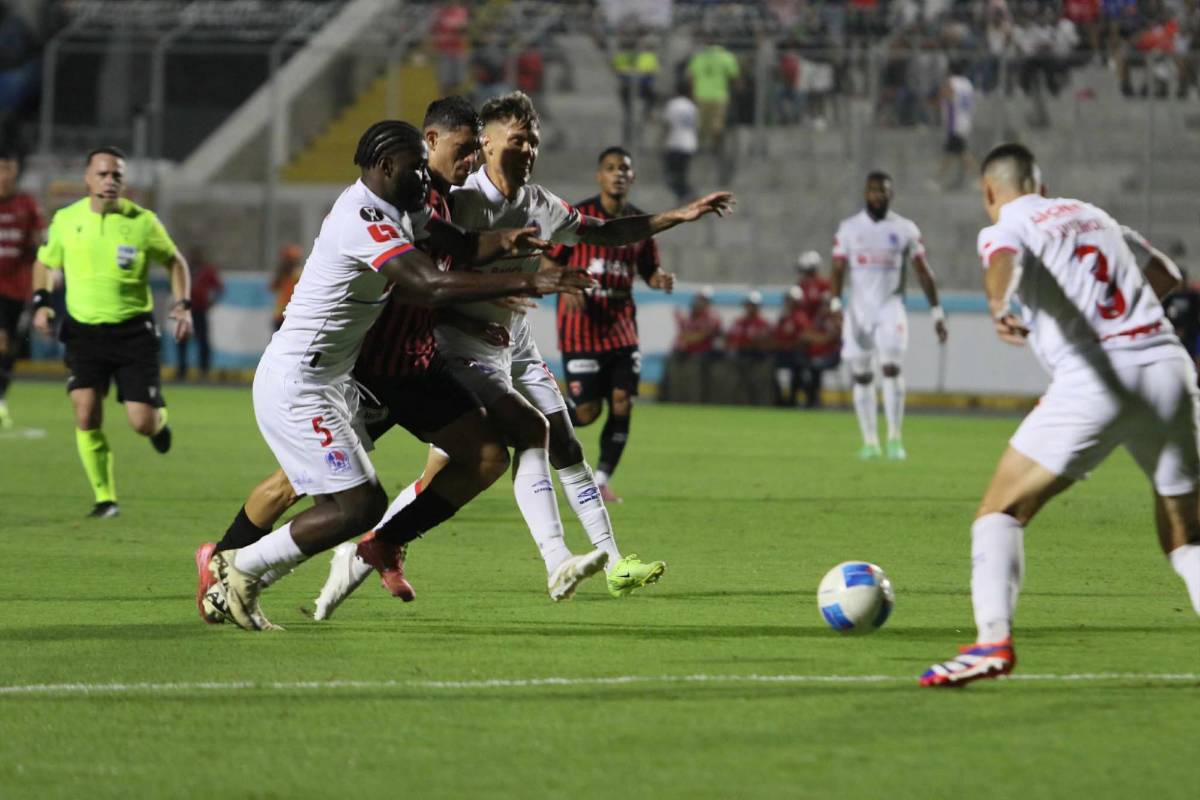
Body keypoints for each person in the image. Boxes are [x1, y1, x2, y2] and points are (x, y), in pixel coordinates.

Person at [312, 91, 733, 614]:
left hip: (515, 344)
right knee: (463, 463)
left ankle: (612, 561)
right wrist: (480, 306)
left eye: (533, 139)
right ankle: (346, 559)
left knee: (565, 443)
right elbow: (423, 286)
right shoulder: (456, 200)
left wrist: (679, 215)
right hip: (458, 348)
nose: (528, 148)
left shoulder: (540, 203)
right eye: (518, 139)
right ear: (486, 143)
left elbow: (605, 232)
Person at [204, 119, 588, 632]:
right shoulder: (362, 217)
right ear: (386, 167)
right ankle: (234, 565)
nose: (424, 180)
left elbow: (457, 243)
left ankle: (243, 571)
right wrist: (532, 280)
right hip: (301, 382)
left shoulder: (403, 207)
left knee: (476, 456)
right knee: (352, 503)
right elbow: (427, 283)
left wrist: (504, 241)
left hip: (340, 379)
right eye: (414, 169)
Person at [921, 143, 1200, 687]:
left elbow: (1004, 260)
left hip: (1095, 378)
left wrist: (999, 305)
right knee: (1189, 539)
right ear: (1041, 183)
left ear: (988, 191)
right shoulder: (1091, 212)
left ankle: (991, 642)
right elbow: (1167, 271)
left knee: (998, 512)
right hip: (1170, 369)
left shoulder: (1007, 221)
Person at [31, 146, 191, 518]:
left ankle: (158, 423)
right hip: (84, 333)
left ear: (124, 180)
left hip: (133, 333)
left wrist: (182, 305)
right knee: (85, 412)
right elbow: (44, 262)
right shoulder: (66, 220)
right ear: (87, 178)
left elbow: (175, 262)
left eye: (116, 175)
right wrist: (41, 301)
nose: (109, 181)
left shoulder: (142, 222)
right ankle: (105, 499)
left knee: (141, 422)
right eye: (102, 174)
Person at [549, 146, 676, 503]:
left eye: (624, 168)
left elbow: (648, 270)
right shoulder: (578, 218)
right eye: (610, 167)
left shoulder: (639, 225)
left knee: (623, 400)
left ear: (632, 177)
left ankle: (601, 479)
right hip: (580, 327)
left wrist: (659, 279)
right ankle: (538, 428)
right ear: (599, 176)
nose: (618, 173)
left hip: (621, 327)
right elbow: (546, 261)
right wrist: (562, 280)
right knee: (587, 412)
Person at [830, 171, 948, 461]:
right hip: (858, 310)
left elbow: (923, 271)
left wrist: (937, 312)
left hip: (890, 308)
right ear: (865, 193)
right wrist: (835, 304)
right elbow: (837, 269)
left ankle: (895, 438)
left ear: (891, 194)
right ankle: (870, 441)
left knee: (891, 369)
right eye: (873, 190)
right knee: (861, 375)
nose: (878, 195)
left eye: (883, 191)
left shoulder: (905, 229)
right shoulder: (848, 229)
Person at [0, 144, 44, 429]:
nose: (4, 175)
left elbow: (40, 242)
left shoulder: (26, 204)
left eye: (9, 169)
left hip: (16, 288)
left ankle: (1, 398)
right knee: (1, 340)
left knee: (9, 348)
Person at [686, 35, 739, 161]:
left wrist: (692, 92)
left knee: (700, 124)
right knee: (717, 124)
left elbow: (691, 76)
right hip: (719, 95)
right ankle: (716, 149)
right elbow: (734, 76)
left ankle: (698, 148)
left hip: (701, 95)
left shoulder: (699, 57)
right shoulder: (726, 56)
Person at [176, 249, 222, 380]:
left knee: (202, 341)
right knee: (182, 340)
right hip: (186, 311)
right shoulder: (185, 270)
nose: (194, 258)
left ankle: (204, 369)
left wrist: (212, 302)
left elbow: (219, 287)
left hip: (200, 310)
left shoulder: (207, 271)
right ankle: (182, 369)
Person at [933, 62, 976, 191]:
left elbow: (946, 97)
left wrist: (938, 100)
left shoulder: (951, 82)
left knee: (958, 152)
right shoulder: (968, 83)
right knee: (955, 152)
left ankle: (937, 180)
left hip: (954, 122)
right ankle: (937, 179)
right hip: (965, 120)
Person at [661, 82, 698, 203]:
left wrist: (663, 140)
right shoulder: (692, 106)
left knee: (670, 176)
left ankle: (687, 195)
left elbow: (667, 124)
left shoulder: (673, 104)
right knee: (681, 174)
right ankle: (686, 196)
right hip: (690, 144)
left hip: (675, 143)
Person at [673, 285, 722, 355]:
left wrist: (687, 337)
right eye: (697, 299)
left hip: (702, 354)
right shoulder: (692, 316)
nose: (697, 301)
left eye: (702, 299)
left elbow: (704, 334)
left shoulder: (711, 316)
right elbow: (683, 332)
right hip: (686, 353)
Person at [725, 291, 773, 357]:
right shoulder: (738, 322)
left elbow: (767, 343)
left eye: (753, 305)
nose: (750, 307)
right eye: (748, 304)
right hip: (740, 355)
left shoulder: (763, 323)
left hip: (757, 356)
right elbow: (729, 338)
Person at [269, 243, 302, 331]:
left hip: (291, 314)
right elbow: (272, 287)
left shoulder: (297, 274)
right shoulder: (283, 275)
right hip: (283, 314)